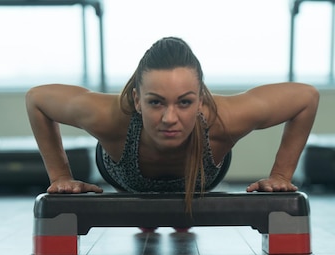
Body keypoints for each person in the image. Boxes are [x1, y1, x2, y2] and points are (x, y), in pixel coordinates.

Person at [26, 36, 319, 211]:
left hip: (201, 179)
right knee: (147, 220)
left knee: (182, 218)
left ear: (201, 100)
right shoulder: (111, 116)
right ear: (137, 100)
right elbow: (37, 99)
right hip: (123, 178)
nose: (169, 118)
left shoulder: (223, 118)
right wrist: (59, 177)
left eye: (184, 102)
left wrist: (281, 174)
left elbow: (306, 97)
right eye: (155, 102)